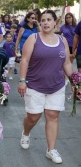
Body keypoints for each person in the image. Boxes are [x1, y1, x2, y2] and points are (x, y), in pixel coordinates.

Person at [18, 10, 73, 164]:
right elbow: (25, 60)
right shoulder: (33, 38)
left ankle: (51, 150)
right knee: (33, 116)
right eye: (43, 20)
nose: (46, 23)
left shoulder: (62, 40)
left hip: (56, 85)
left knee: (53, 115)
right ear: (40, 23)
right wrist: (22, 80)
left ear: (56, 22)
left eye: (49, 19)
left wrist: (76, 83)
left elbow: (67, 63)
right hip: (35, 85)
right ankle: (26, 133)